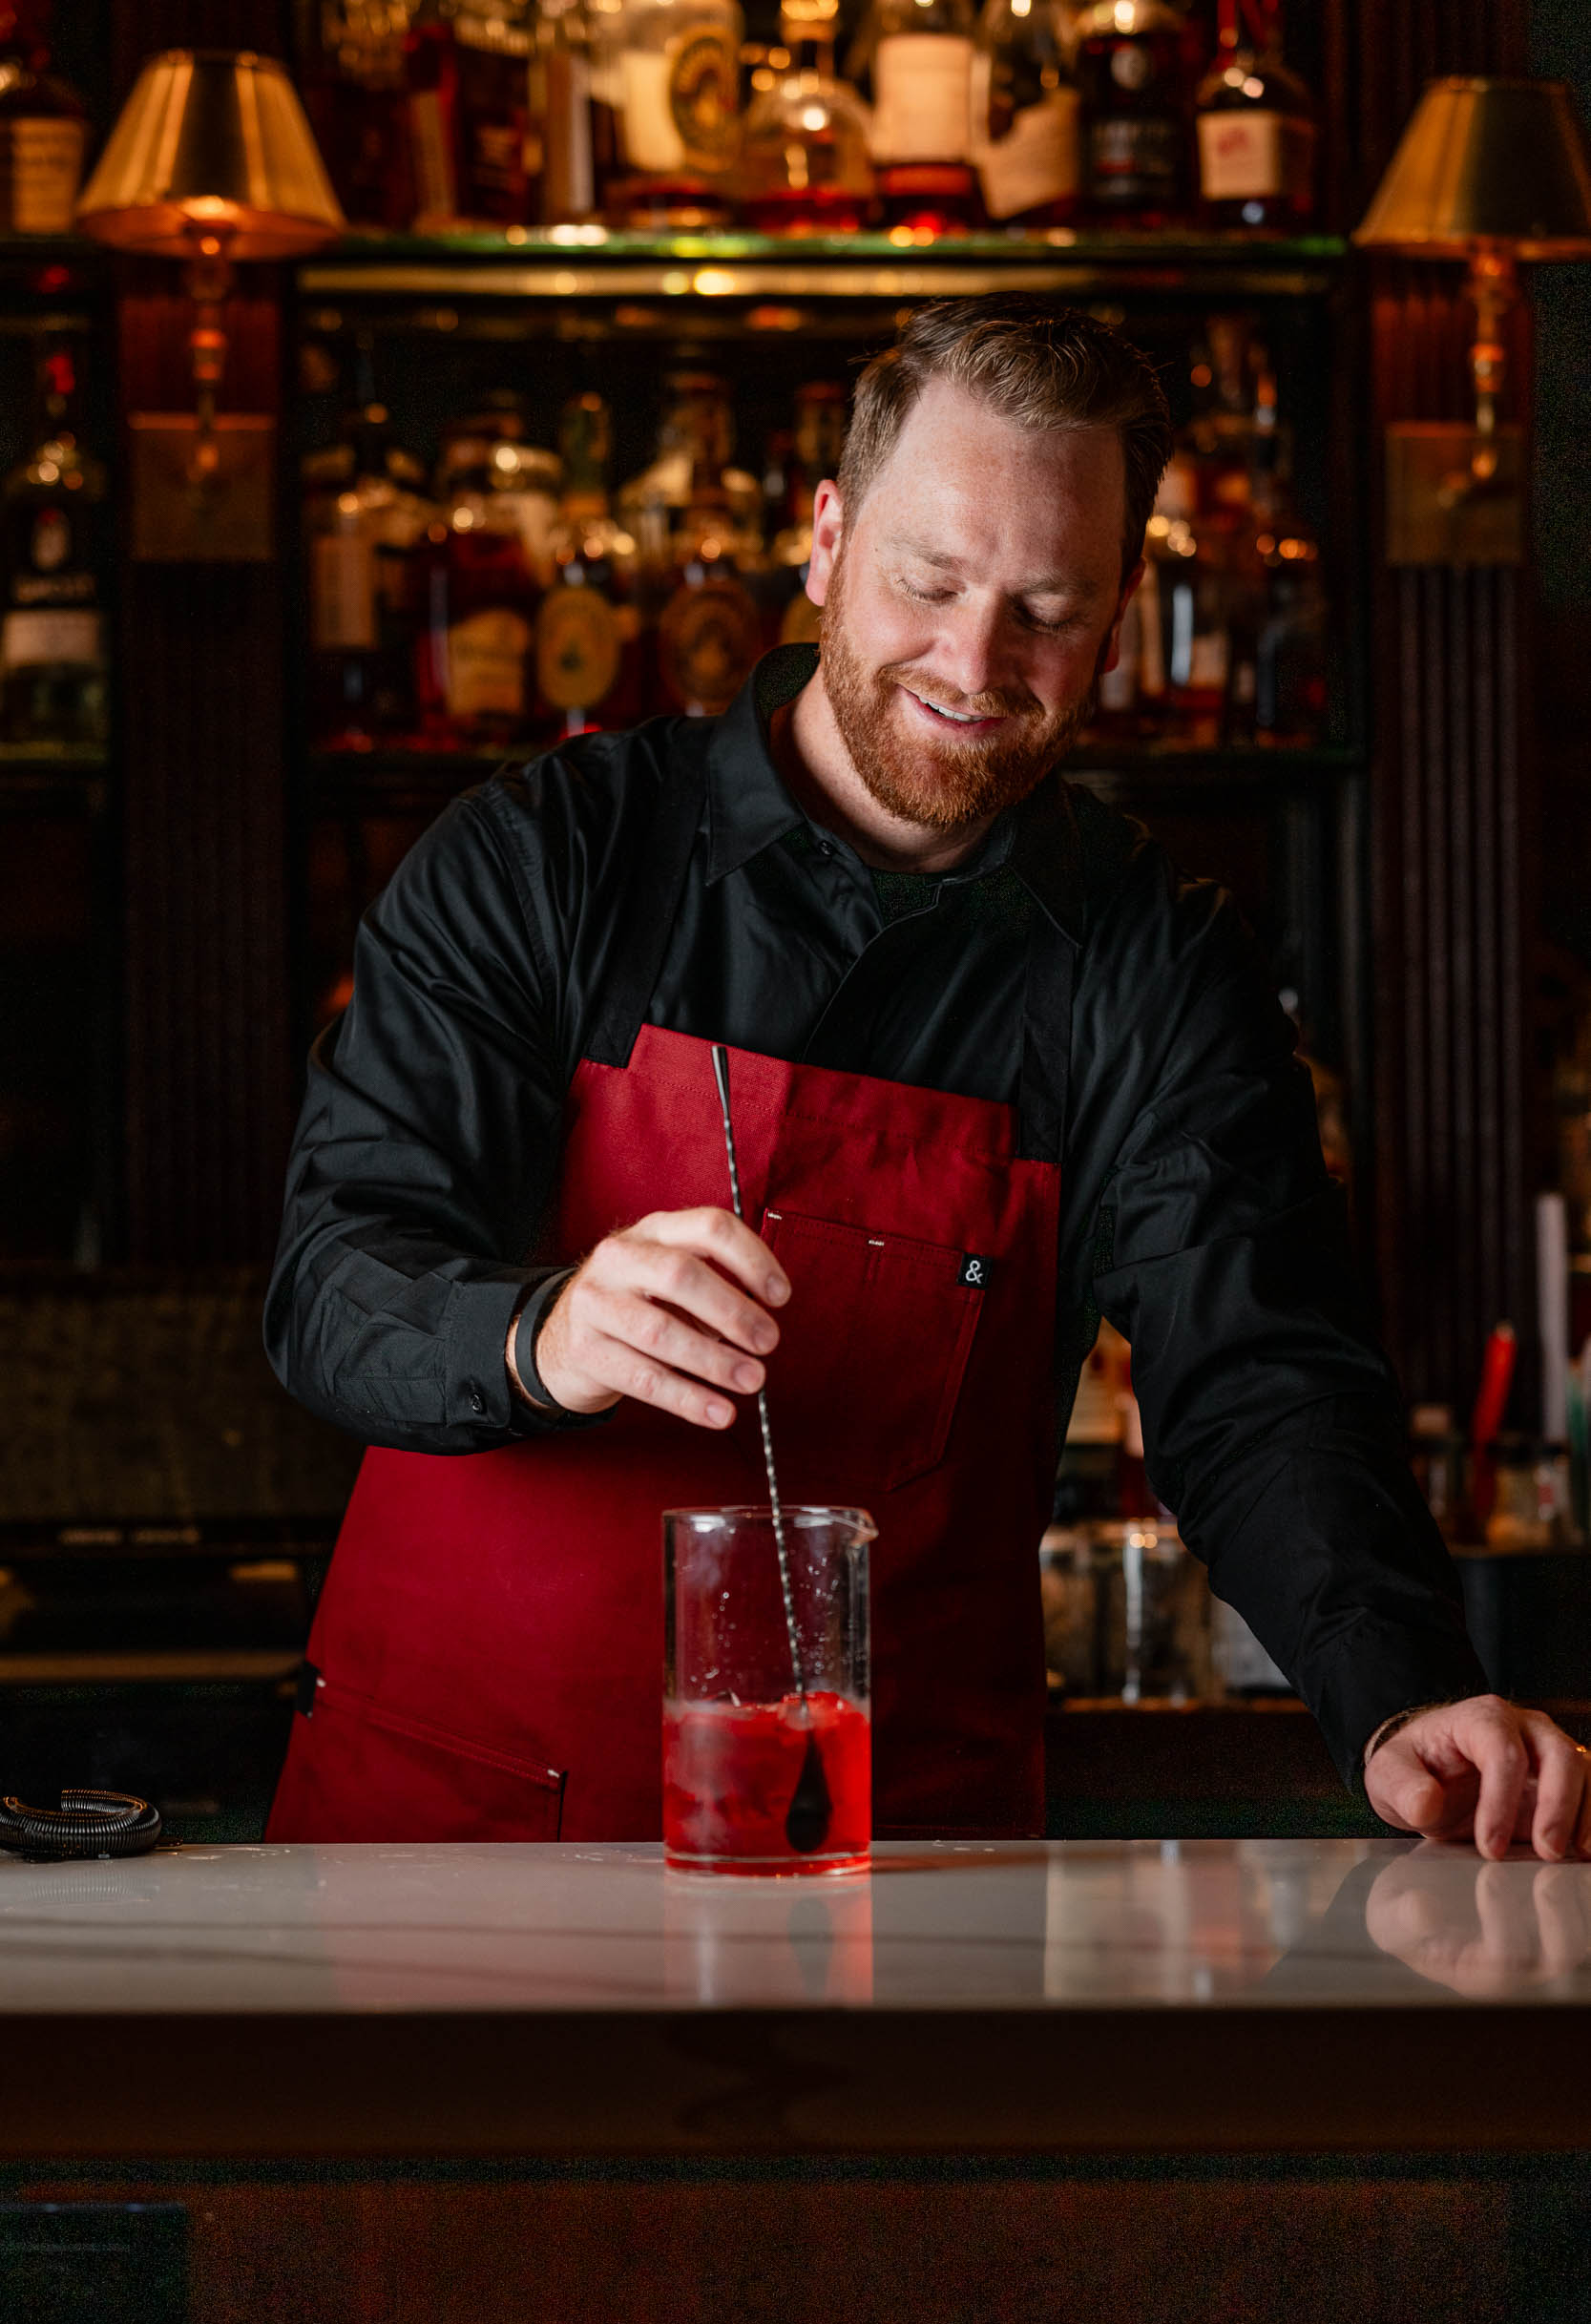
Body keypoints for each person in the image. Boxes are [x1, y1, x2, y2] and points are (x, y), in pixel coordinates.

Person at [264, 298, 1589, 1862]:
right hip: (451, 1835)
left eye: (1046, 604)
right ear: (827, 542)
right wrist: (542, 1332)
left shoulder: (1152, 965)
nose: (975, 660)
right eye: (930, 579)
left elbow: (1259, 1377)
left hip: (896, 1864)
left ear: (1121, 613)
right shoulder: (547, 857)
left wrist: (1399, 1691)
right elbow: (332, 1285)